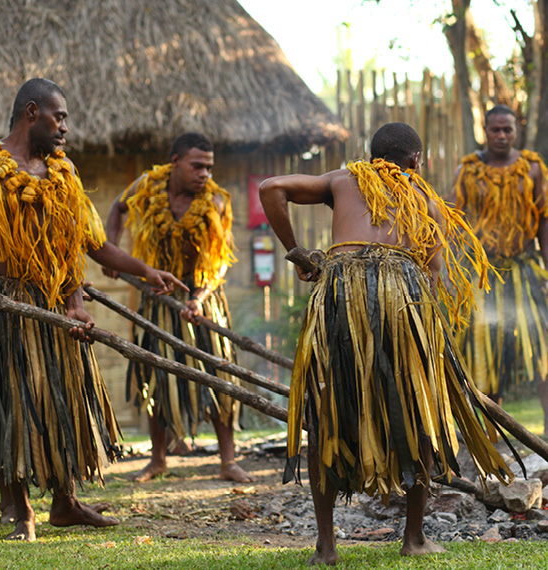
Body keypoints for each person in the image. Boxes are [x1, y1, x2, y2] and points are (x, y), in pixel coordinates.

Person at [259, 122, 517, 565]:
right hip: (403, 291)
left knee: (330, 411)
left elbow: (271, 187)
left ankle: (326, 547)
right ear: (415, 161)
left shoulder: (342, 179)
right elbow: (434, 272)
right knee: (420, 407)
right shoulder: (427, 200)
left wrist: (296, 250)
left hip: (342, 286)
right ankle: (413, 539)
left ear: (370, 154)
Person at [0, 78, 187, 541]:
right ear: (32, 112)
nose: (66, 128)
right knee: (13, 398)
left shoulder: (63, 173)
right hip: (4, 301)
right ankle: (23, 510)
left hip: (57, 300)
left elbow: (89, 243)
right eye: (60, 117)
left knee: (66, 397)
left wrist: (145, 271)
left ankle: (66, 504)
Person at [105, 132, 255, 484]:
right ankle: (158, 459)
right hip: (156, 296)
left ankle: (228, 461)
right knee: (155, 376)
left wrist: (199, 298)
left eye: (209, 166)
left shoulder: (216, 201)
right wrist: (111, 249)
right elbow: (116, 208)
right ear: (175, 162)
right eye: (197, 165)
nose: (205, 173)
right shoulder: (146, 185)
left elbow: (222, 260)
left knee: (220, 376)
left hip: (202, 297)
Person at [451, 105, 548, 436]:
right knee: (488, 353)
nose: (502, 135)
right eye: (496, 130)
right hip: (483, 274)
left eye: (508, 130)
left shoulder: (532, 168)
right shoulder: (469, 170)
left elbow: (544, 220)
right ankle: (493, 438)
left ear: (515, 130)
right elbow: (454, 223)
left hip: (525, 270)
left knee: (542, 352)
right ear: (485, 129)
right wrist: (454, 272)